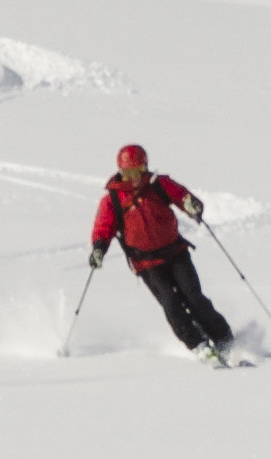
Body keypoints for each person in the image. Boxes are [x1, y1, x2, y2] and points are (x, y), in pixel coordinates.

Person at [88, 141, 232, 357]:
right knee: (171, 303)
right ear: (121, 172)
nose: (134, 178)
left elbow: (183, 196)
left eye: (138, 171)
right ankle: (198, 345)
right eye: (128, 173)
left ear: (145, 167)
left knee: (194, 298)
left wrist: (192, 205)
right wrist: (99, 248)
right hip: (146, 263)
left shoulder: (159, 184)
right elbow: (103, 228)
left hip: (176, 253)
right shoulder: (112, 200)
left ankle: (224, 339)